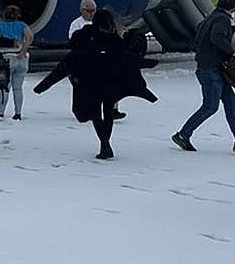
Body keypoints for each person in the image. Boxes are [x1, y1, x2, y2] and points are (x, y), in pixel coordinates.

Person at [34, 9, 159, 159]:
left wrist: (43, 86)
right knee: (107, 112)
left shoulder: (85, 37)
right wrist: (147, 63)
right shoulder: (114, 40)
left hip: (91, 83)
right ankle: (105, 143)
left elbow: (67, 63)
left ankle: (104, 143)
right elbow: (127, 59)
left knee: (95, 113)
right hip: (110, 83)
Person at [172, 0, 235, 156]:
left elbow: (198, 40)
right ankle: (183, 135)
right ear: (232, 8)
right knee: (210, 106)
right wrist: (231, 52)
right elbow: (217, 37)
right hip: (211, 69)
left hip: (212, 68)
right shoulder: (222, 20)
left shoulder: (209, 19)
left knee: (231, 102)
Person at [69, 0, 125, 119]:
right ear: (82, 10)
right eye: (87, 10)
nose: (90, 13)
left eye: (93, 10)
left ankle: (113, 109)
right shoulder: (76, 24)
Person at [0, 5, 33, 120]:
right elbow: (29, 37)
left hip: (7, 58)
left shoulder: (0, 27)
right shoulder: (22, 25)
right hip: (21, 57)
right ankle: (18, 113)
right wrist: (23, 51)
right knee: (18, 88)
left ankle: (1, 113)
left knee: (5, 87)